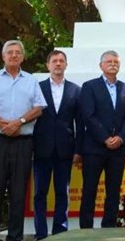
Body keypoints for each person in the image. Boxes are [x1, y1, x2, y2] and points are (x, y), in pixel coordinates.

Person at [0, 40, 47, 241]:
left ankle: (15, 237)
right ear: (3, 56)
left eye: (17, 52)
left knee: (18, 193)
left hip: (22, 143)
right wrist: (3, 125)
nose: (14, 55)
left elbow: (39, 108)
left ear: (22, 57)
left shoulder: (31, 81)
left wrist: (19, 122)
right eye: (10, 52)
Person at [79, 50, 125, 228]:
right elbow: (88, 115)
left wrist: (121, 137)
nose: (113, 64)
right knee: (90, 189)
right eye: (109, 61)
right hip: (94, 148)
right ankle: (86, 230)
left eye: (116, 62)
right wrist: (105, 138)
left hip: (118, 149)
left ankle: (109, 227)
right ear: (101, 65)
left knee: (113, 191)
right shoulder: (90, 86)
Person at [32, 50, 82, 239]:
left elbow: (80, 123)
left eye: (62, 61)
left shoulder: (75, 90)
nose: (58, 64)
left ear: (66, 65)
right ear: (48, 65)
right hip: (41, 149)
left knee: (62, 193)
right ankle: (41, 234)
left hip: (65, 150)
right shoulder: (38, 88)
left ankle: (60, 234)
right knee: (40, 194)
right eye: (54, 61)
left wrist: (78, 150)